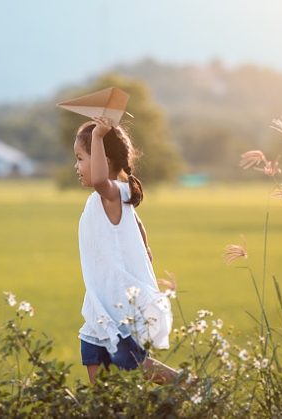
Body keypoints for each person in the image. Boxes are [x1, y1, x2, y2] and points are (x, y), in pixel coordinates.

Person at [74, 116, 177, 385]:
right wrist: (144, 245)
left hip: (118, 307)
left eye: (81, 158)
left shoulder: (110, 193)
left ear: (103, 161)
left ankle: (188, 384)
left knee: (133, 363)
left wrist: (97, 136)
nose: (76, 165)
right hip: (99, 306)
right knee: (96, 367)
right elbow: (137, 223)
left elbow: (99, 180)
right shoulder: (114, 198)